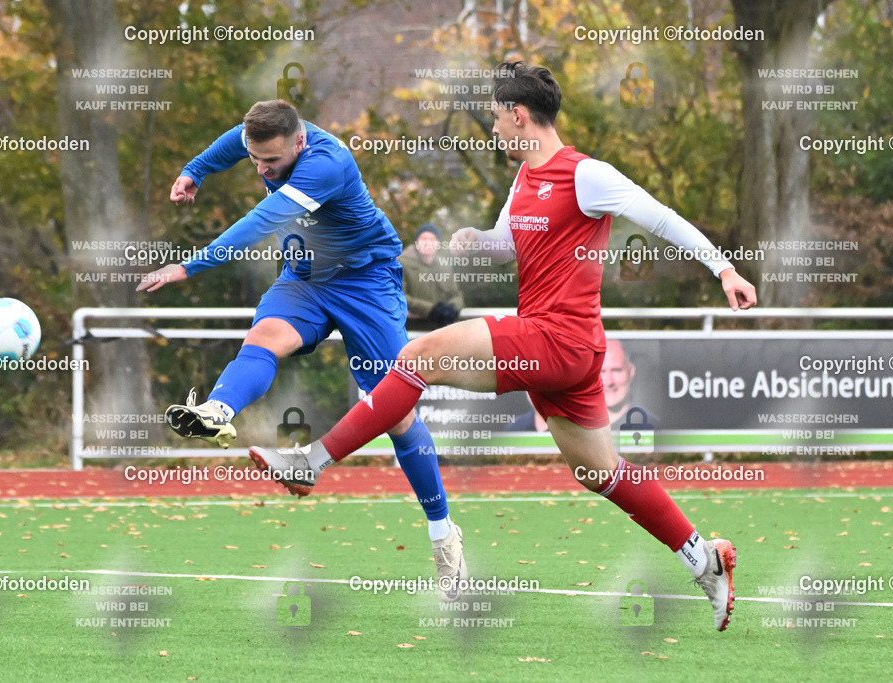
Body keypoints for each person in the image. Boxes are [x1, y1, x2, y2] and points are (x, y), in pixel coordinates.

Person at [249, 63, 758, 628]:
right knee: (600, 473)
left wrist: (724, 270)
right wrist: (478, 241)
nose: (492, 128)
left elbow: (662, 220)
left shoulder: (586, 175)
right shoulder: (523, 179)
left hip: (557, 339)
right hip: (563, 350)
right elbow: (509, 243)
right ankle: (704, 559)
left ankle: (313, 461)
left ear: (519, 116)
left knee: (416, 360)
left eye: (495, 117)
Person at [136, 100, 467, 599]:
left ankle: (443, 532)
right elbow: (231, 145)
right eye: (256, 160)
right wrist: (194, 171)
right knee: (263, 338)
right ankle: (217, 410)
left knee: (397, 415)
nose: (262, 170)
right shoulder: (264, 136)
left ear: (299, 141)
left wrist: (189, 266)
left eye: (271, 161)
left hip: (366, 282)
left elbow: (260, 221)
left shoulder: (326, 164)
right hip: (306, 278)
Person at [398, 223, 464, 328]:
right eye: (424, 239)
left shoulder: (444, 266)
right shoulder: (401, 264)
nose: (428, 243)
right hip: (412, 328)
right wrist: (431, 310)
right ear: (417, 242)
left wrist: (453, 308)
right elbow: (399, 296)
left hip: (442, 328)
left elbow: (456, 295)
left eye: (432, 239)